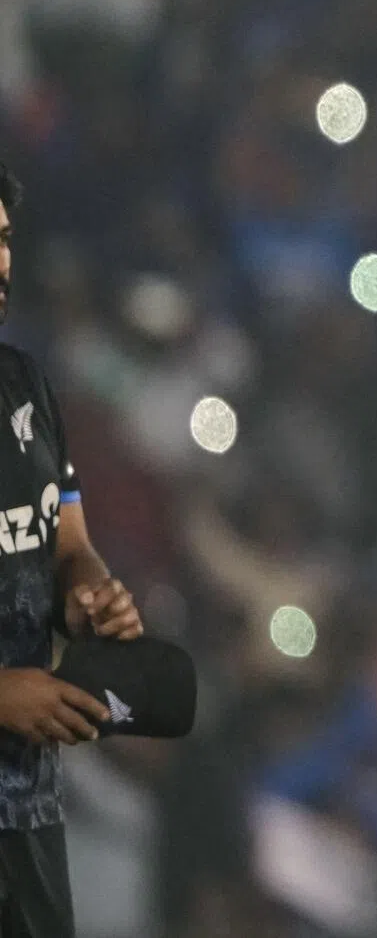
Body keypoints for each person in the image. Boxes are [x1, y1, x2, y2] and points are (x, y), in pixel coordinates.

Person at [0, 162, 144, 938]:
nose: (0, 264)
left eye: (5, 240)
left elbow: (68, 546)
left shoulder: (24, 386)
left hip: (27, 803)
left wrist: (91, 593)